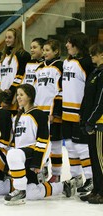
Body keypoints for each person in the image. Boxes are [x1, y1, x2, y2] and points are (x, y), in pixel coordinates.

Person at [4, 84, 76, 205]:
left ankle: (20, 191)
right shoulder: (17, 116)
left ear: (30, 97)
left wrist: (38, 162)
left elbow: (43, 140)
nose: (18, 98)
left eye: (22, 95)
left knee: (14, 154)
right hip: (21, 156)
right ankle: (64, 186)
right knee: (32, 194)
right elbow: (16, 142)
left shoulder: (39, 114)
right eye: (17, 95)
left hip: (34, 153)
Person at [62, 32, 94, 193]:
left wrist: (87, 112)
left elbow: (91, 90)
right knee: (69, 145)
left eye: (70, 43)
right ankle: (76, 177)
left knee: (82, 147)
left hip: (80, 112)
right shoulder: (67, 62)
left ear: (77, 44)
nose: (66, 45)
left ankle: (90, 178)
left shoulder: (88, 63)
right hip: (65, 112)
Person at [35, 39, 63, 182]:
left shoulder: (60, 66)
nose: (45, 53)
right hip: (39, 112)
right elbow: (35, 90)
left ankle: (57, 174)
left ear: (56, 51)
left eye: (48, 50)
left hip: (52, 113)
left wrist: (55, 112)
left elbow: (61, 91)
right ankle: (43, 168)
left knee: (56, 144)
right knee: (40, 142)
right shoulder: (39, 68)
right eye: (44, 50)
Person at [79, 42, 103, 204]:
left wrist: (91, 120)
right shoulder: (95, 72)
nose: (92, 57)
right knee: (94, 159)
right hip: (91, 122)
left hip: (99, 123)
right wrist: (83, 118)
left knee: (101, 160)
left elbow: (101, 102)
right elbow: (87, 98)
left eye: (94, 54)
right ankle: (96, 189)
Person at [0, 28, 31, 114]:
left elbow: (20, 77)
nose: (6, 40)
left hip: (14, 99)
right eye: (5, 37)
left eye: (10, 37)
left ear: (16, 38)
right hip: (2, 98)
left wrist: (8, 98)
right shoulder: (3, 56)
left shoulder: (23, 55)